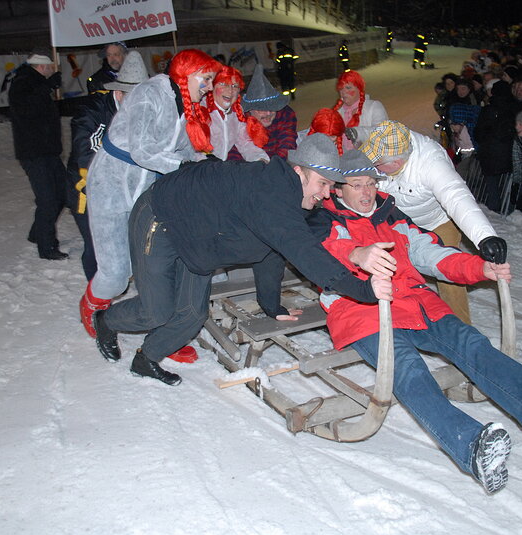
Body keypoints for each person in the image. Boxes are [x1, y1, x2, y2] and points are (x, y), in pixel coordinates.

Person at [307, 149, 522, 494]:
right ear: (338, 190)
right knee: (409, 370)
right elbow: (331, 253)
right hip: (362, 309)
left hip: (416, 302)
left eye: (371, 183)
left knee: (471, 343)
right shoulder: (324, 220)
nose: (366, 193)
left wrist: (479, 268)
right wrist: (359, 255)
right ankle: (470, 446)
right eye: (356, 185)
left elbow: (429, 252)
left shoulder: (391, 214)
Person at [92, 134, 386, 386]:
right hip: (162, 216)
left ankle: (147, 358)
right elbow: (305, 253)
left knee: (192, 315)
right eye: (322, 184)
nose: (326, 194)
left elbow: (273, 249)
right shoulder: (270, 197)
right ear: (299, 172)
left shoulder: (291, 200)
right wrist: (363, 290)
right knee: (156, 311)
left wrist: (271, 306)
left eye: (330, 187)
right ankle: (105, 320)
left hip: (200, 237)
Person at [80, 49, 220, 360]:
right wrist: (184, 167)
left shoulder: (184, 106)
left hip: (147, 189)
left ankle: (163, 332)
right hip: (112, 185)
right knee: (116, 273)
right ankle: (93, 307)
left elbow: (183, 151)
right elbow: (143, 149)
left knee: (154, 263)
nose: (210, 87)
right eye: (206, 79)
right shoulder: (149, 94)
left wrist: (206, 164)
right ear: (187, 74)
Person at [361, 120, 507, 325]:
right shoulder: (388, 141)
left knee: (451, 272)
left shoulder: (431, 162)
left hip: (436, 222)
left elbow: (457, 198)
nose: (373, 167)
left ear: (397, 162)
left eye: (378, 164)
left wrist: (485, 236)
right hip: (395, 223)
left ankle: (462, 330)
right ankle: (394, 322)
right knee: (387, 269)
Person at [66, 51, 149, 281]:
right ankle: (96, 299)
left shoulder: (142, 110)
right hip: (88, 188)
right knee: (97, 245)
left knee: (126, 240)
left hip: (126, 190)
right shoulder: (92, 110)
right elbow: (86, 151)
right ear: (118, 92)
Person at [8, 52, 67, 261]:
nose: (52, 69)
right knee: (48, 199)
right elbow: (26, 108)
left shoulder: (35, 82)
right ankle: (47, 246)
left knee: (63, 192)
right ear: (42, 67)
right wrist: (47, 86)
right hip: (34, 153)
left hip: (48, 151)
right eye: (50, 66)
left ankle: (37, 232)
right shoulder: (22, 82)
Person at [230, 64, 297, 160]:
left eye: (272, 108)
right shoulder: (239, 120)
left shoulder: (285, 114)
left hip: (278, 162)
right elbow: (233, 151)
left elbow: (288, 142)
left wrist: (275, 164)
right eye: (262, 109)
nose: (268, 113)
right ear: (250, 109)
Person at [205, 65, 269, 163]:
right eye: (223, 84)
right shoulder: (200, 110)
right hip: (197, 168)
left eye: (235, 86)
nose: (230, 91)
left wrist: (261, 159)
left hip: (219, 167)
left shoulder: (236, 113)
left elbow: (245, 144)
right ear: (212, 86)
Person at [475, 80, 519, 213]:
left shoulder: (488, 110)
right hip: (509, 155)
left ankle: (494, 212)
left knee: (492, 187)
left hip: (489, 155)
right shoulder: (515, 109)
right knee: (507, 187)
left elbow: (479, 132)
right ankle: (509, 211)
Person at [332, 70, 388, 151]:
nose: (343, 92)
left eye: (348, 88)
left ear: (359, 89)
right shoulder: (337, 114)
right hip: (344, 161)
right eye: (341, 89)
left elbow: (382, 132)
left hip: (371, 160)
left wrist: (357, 133)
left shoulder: (374, 107)